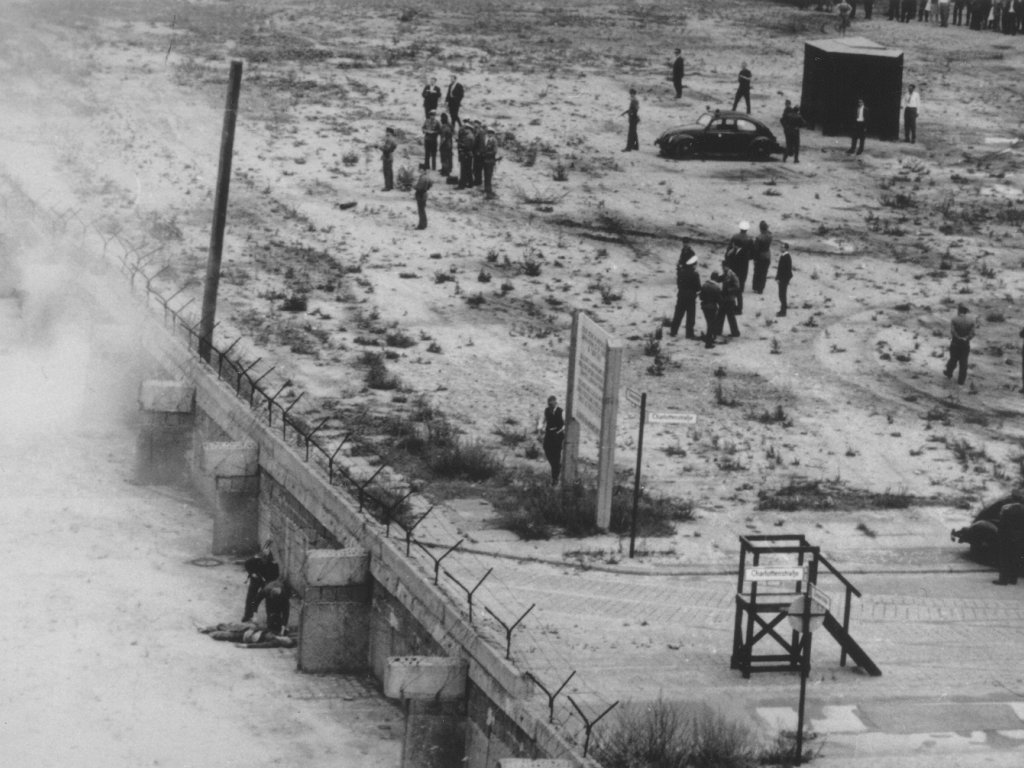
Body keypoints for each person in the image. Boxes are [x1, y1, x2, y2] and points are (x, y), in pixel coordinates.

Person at [669, 238, 701, 339]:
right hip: (691, 296)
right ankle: (689, 333)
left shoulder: (681, 274)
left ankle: (673, 331)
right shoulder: (695, 275)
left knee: (678, 313)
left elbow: (679, 284)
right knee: (690, 316)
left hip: (682, 295)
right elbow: (698, 287)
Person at [241, 542, 279, 623]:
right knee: (250, 597)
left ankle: (270, 618)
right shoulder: (257, 558)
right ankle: (247, 615)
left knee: (269, 598)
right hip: (256, 579)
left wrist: (269, 581)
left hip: (266, 581)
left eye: (266, 559)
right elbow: (247, 563)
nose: (263, 560)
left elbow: (276, 574)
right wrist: (252, 573)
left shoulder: (273, 563)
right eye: (263, 558)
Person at [724, 221, 753, 313]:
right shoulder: (750, 239)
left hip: (734, 264)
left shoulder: (735, 236)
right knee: (743, 278)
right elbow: (752, 251)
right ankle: (741, 290)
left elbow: (729, 249)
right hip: (744, 263)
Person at [943, 304, 975, 385]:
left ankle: (949, 373)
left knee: (953, 359)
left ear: (959, 310)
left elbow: (953, 332)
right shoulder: (971, 320)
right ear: (966, 311)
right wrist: (966, 338)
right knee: (964, 362)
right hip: (965, 344)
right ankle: (961, 381)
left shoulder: (954, 319)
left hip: (955, 343)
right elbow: (972, 333)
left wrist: (958, 337)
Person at [993, 502, 1024, 585]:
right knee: (1015, 559)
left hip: (1006, 540)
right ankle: (1013, 579)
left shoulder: (1006, 514)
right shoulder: (1021, 512)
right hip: (1019, 540)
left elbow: (1002, 528)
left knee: (1004, 559)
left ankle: (1003, 580)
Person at [538, 396, 565, 485]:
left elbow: (565, 424)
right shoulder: (547, 410)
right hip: (549, 433)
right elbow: (543, 419)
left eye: (551, 402)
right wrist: (540, 428)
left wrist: (559, 431)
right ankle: (556, 467)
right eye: (548, 402)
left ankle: (555, 478)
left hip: (558, 435)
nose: (550, 404)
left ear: (555, 402)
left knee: (556, 455)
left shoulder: (561, 411)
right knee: (546, 449)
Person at [199, 624, 297, 648]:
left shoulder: (274, 642)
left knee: (223, 635)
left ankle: (209, 633)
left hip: (245, 637)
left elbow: (261, 646)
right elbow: (265, 627)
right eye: (287, 639)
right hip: (249, 630)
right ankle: (207, 628)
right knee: (227, 626)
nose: (285, 640)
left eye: (286, 642)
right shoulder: (278, 633)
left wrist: (246, 646)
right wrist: (255, 629)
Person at [715, 263, 741, 339]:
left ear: (727, 266)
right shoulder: (726, 274)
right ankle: (719, 331)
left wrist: (729, 290)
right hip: (725, 298)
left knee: (729, 316)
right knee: (721, 314)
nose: (722, 268)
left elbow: (737, 286)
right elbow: (719, 279)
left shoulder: (732, 274)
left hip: (730, 298)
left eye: (723, 266)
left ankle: (735, 332)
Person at [699, 273, 723, 348]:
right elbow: (719, 300)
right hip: (712, 307)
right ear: (716, 279)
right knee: (711, 324)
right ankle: (708, 343)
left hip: (704, 306)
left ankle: (709, 338)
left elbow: (701, 296)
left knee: (709, 323)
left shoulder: (705, 285)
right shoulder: (717, 287)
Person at [751, 221, 773, 295]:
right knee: (764, 273)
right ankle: (761, 289)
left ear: (760, 229)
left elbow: (756, 249)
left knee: (757, 272)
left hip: (760, 256)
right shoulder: (770, 235)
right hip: (767, 255)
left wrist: (754, 258)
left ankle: (755, 287)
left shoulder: (759, 238)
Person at [775, 242, 793, 317]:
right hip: (782, 279)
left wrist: (781, 279)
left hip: (783, 279)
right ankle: (783, 310)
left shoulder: (786, 257)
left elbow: (786, 270)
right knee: (781, 295)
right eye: (781, 247)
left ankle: (783, 311)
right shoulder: (784, 256)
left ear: (786, 248)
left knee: (782, 295)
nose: (781, 248)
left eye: (782, 247)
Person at [481, 126, 498, 198]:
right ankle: (486, 188)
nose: (489, 134)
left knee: (489, 175)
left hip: (490, 160)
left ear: (493, 133)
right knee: (486, 175)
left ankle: (489, 190)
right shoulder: (487, 140)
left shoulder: (494, 141)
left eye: (491, 132)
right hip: (485, 160)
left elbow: (494, 151)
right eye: (488, 132)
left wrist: (486, 153)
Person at [457, 121, 474, 189]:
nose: (464, 129)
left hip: (466, 155)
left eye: (466, 128)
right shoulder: (469, 135)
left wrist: (460, 143)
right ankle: (470, 183)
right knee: (468, 170)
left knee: (463, 170)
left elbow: (467, 146)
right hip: (468, 155)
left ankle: (462, 185)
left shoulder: (469, 136)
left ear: (468, 129)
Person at [380, 127, 397, 192]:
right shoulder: (393, 139)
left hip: (387, 156)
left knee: (386, 171)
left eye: (387, 132)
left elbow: (386, 149)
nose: (386, 133)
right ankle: (391, 185)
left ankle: (387, 187)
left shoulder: (389, 139)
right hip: (390, 156)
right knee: (390, 171)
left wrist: (379, 147)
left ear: (389, 133)